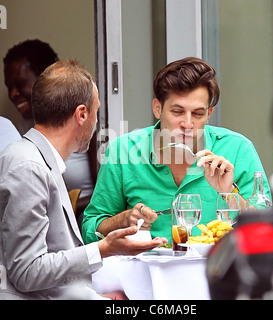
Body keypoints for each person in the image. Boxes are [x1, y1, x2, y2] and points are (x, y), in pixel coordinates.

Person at [0, 59, 167, 300]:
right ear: (81, 114)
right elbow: (27, 272)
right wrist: (103, 248)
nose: (97, 121)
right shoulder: (29, 167)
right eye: (96, 111)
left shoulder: (38, 160)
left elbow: (49, 270)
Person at [82, 57, 272, 245]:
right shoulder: (123, 150)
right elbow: (90, 229)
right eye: (177, 112)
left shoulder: (238, 149)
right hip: (144, 273)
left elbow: (267, 230)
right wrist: (123, 220)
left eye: (198, 114)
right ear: (157, 108)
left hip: (216, 271)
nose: (187, 124)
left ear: (209, 114)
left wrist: (229, 193)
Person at [3, 39, 97, 214]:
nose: (13, 94)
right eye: (9, 87)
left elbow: (104, 195)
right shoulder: (20, 129)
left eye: (21, 84)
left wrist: (70, 204)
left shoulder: (84, 123)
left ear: (44, 82)